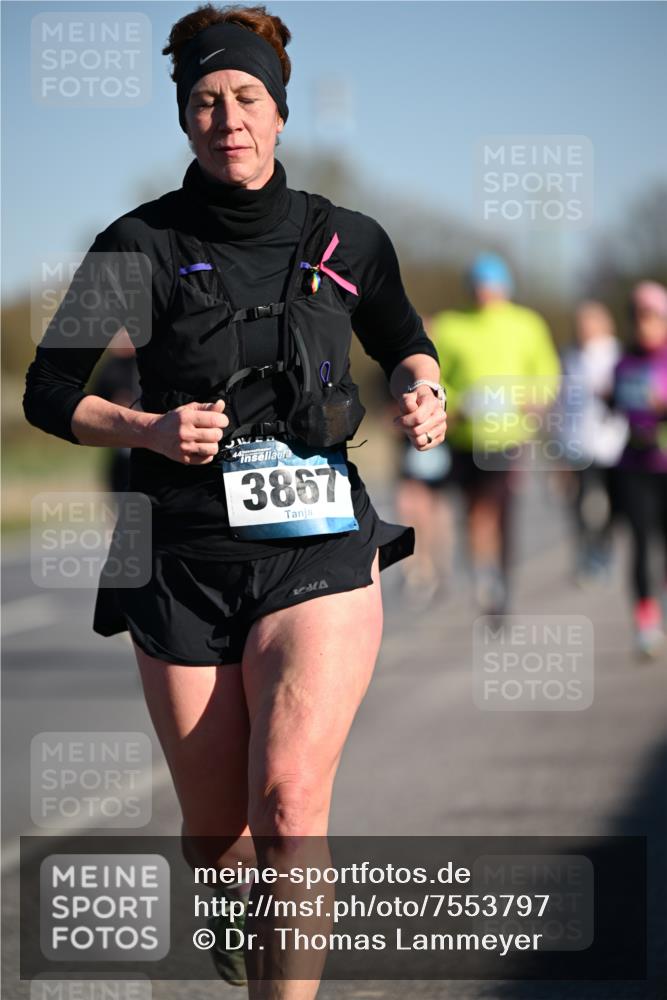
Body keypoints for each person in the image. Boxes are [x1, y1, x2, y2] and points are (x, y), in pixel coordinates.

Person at [22, 4, 447, 995]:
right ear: (183, 119)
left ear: (280, 112)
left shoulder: (349, 238)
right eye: (205, 101)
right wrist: (146, 430)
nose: (228, 118)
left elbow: (403, 337)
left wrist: (422, 388)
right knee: (221, 841)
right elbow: (50, 388)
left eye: (246, 97)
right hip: (177, 553)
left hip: (319, 547)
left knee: (292, 806)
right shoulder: (136, 245)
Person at [430, 253, 560, 616]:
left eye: (492, 287)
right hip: (464, 438)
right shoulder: (452, 325)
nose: (485, 294)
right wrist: (458, 402)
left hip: (507, 436)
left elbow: (546, 371)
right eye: (479, 287)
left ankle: (499, 575)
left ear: (505, 288)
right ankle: (485, 573)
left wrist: (537, 399)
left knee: (498, 508)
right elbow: (436, 377)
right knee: (474, 510)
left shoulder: (527, 324)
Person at [612, 281, 667, 658]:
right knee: (642, 544)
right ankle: (646, 623)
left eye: (652, 317)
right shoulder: (623, 363)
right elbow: (616, 408)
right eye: (637, 317)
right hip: (634, 466)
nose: (644, 324)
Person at [557, 301, 627, 583]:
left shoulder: (618, 355)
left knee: (611, 503)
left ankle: (604, 551)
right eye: (581, 323)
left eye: (590, 322)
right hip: (577, 443)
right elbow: (560, 403)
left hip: (613, 442)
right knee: (581, 503)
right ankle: (587, 554)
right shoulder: (569, 356)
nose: (584, 328)